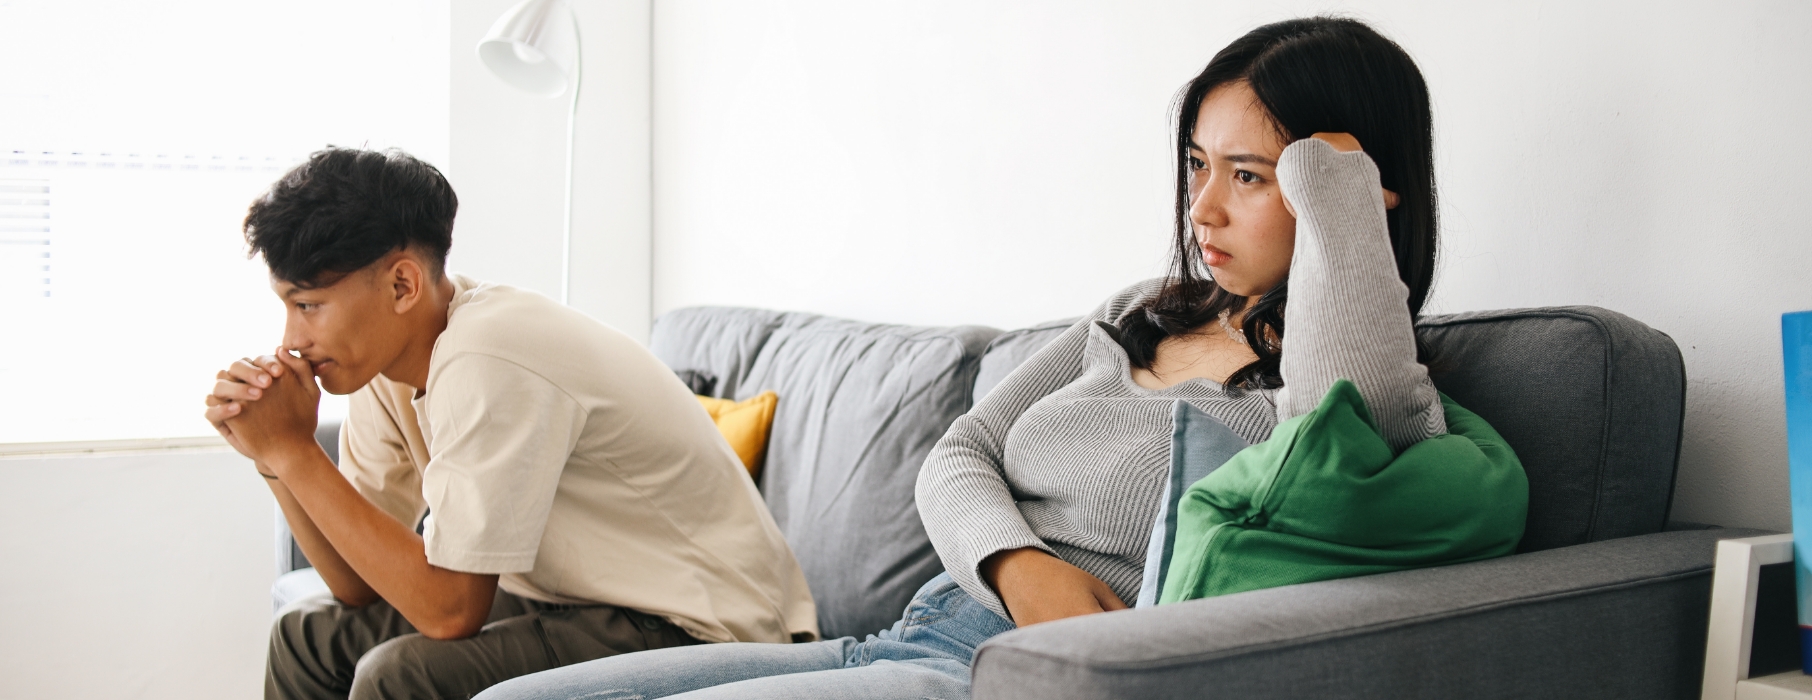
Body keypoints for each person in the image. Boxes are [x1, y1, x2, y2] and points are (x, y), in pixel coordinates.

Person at [477, 15, 1451, 700]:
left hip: (999, 676)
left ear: (1360, 188)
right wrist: (1018, 562)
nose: (1201, 211)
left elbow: (1334, 437)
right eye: (1197, 164)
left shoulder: (1353, 382)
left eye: (1251, 176)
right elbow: (957, 453)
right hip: (909, 632)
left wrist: (1335, 187)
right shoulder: (1134, 315)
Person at [203, 147, 817, 700]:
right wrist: (278, 457)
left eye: (308, 306)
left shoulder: (488, 353)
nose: (292, 339)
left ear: (401, 284)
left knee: (400, 676)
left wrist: (292, 454)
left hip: (705, 626)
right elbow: (357, 585)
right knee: (307, 635)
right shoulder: (383, 367)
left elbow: (450, 611)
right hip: (578, 599)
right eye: (286, 306)